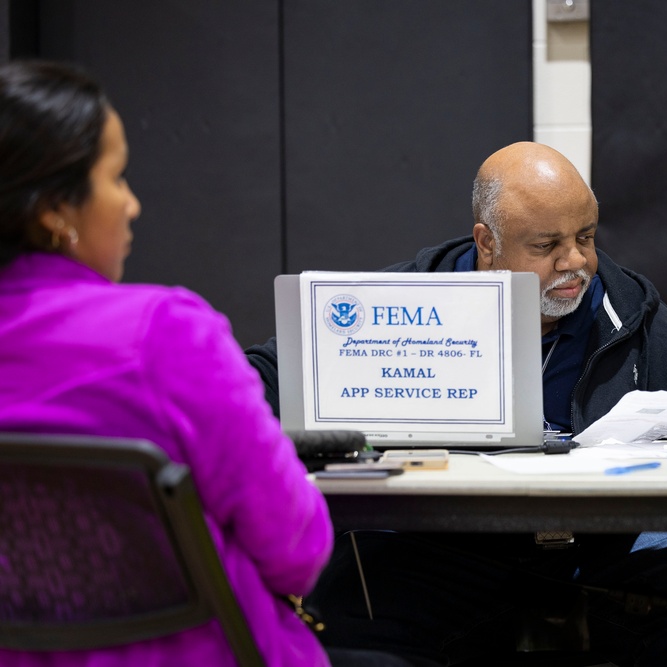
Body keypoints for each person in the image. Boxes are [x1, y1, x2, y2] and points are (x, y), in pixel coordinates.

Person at [246, 141, 667, 666]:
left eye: (586, 237)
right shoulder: (403, 302)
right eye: (548, 246)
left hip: (606, 553)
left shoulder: (628, 308)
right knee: (351, 611)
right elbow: (257, 380)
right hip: (448, 549)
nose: (577, 262)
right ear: (487, 244)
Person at [0, 60, 412, 667]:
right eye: (116, 178)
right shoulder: (163, 336)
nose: (133, 205)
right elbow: (297, 548)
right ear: (55, 211)